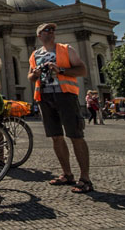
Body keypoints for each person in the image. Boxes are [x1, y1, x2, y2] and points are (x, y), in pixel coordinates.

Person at [28, 23, 93, 193]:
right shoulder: (35, 54)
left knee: (76, 136)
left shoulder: (66, 49)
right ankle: (67, 174)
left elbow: (82, 70)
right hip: (44, 96)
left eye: (53, 30)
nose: (51, 32)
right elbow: (30, 76)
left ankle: (85, 178)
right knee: (56, 137)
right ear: (39, 35)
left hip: (65, 96)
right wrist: (35, 73)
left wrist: (61, 69)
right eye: (47, 30)